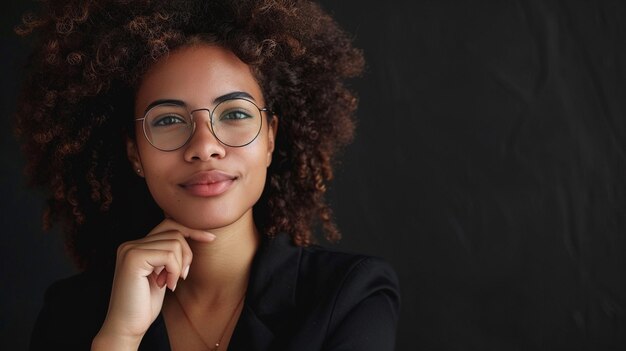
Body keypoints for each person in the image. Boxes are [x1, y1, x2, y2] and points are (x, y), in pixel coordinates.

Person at [14, 0, 400, 350]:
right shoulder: (71, 314)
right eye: (167, 120)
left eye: (234, 113)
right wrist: (120, 337)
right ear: (135, 153)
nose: (204, 145)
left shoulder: (349, 295)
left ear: (270, 138)